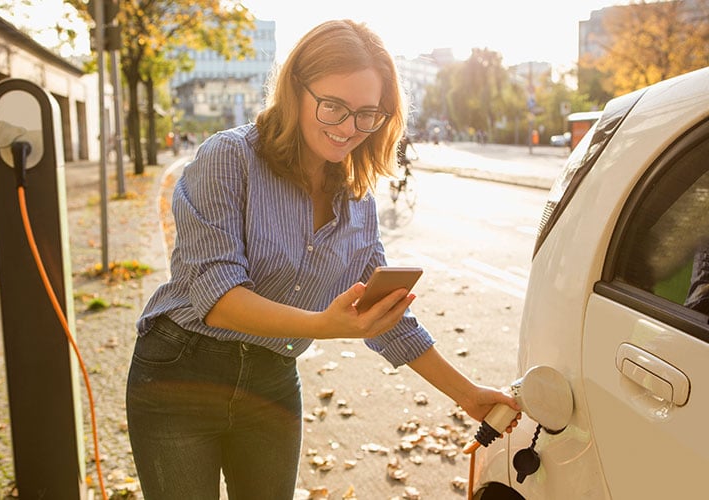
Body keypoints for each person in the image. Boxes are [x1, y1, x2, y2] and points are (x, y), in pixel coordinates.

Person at [126, 19, 519, 500]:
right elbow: (218, 298)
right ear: (295, 89)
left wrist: (468, 396)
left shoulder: (358, 197)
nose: (348, 129)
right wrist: (326, 324)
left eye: (366, 113)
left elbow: (388, 319)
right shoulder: (229, 157)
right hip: (180, 370)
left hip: (271, 379)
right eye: (333, 106)